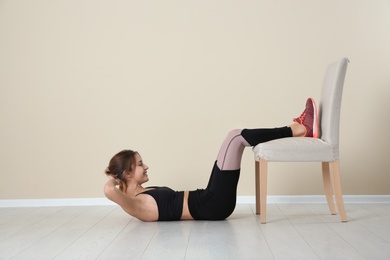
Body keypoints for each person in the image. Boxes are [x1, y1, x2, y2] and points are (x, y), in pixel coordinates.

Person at [104, 98, 318, 221]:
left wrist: (119, 181)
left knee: (234, 137)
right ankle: (300, 128)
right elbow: (109, 190)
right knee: (235, 136)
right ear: (127, 173)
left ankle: (300, 128)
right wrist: (115, 180)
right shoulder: (136, 205)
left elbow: (115, 189)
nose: (147, 166)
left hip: (209, 198)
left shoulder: (140, 196)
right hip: (213, 204)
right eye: (140, 164)